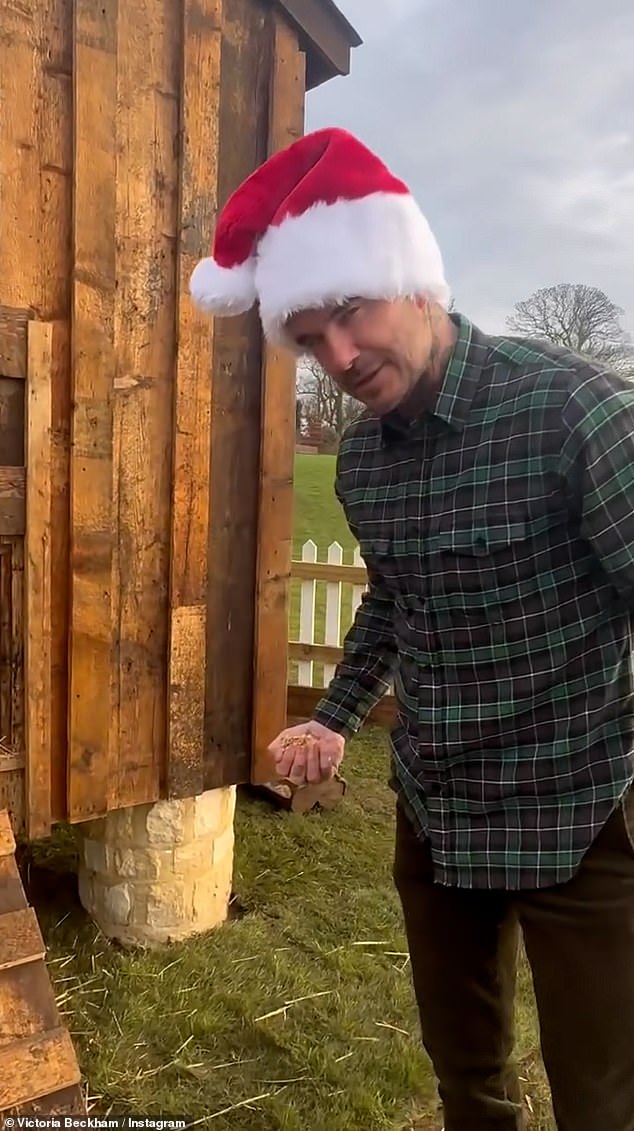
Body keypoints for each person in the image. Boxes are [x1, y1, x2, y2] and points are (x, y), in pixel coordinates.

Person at [190, 127, 634, 1131]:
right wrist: (335, 716)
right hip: (434, 810)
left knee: (600, 1097)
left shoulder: (574, 413)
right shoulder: (364, 464)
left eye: (350, 313)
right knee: (467, 1080)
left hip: (577, 811)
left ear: (414, 281)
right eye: (309, 339)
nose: (339, 357)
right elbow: (394, 596)